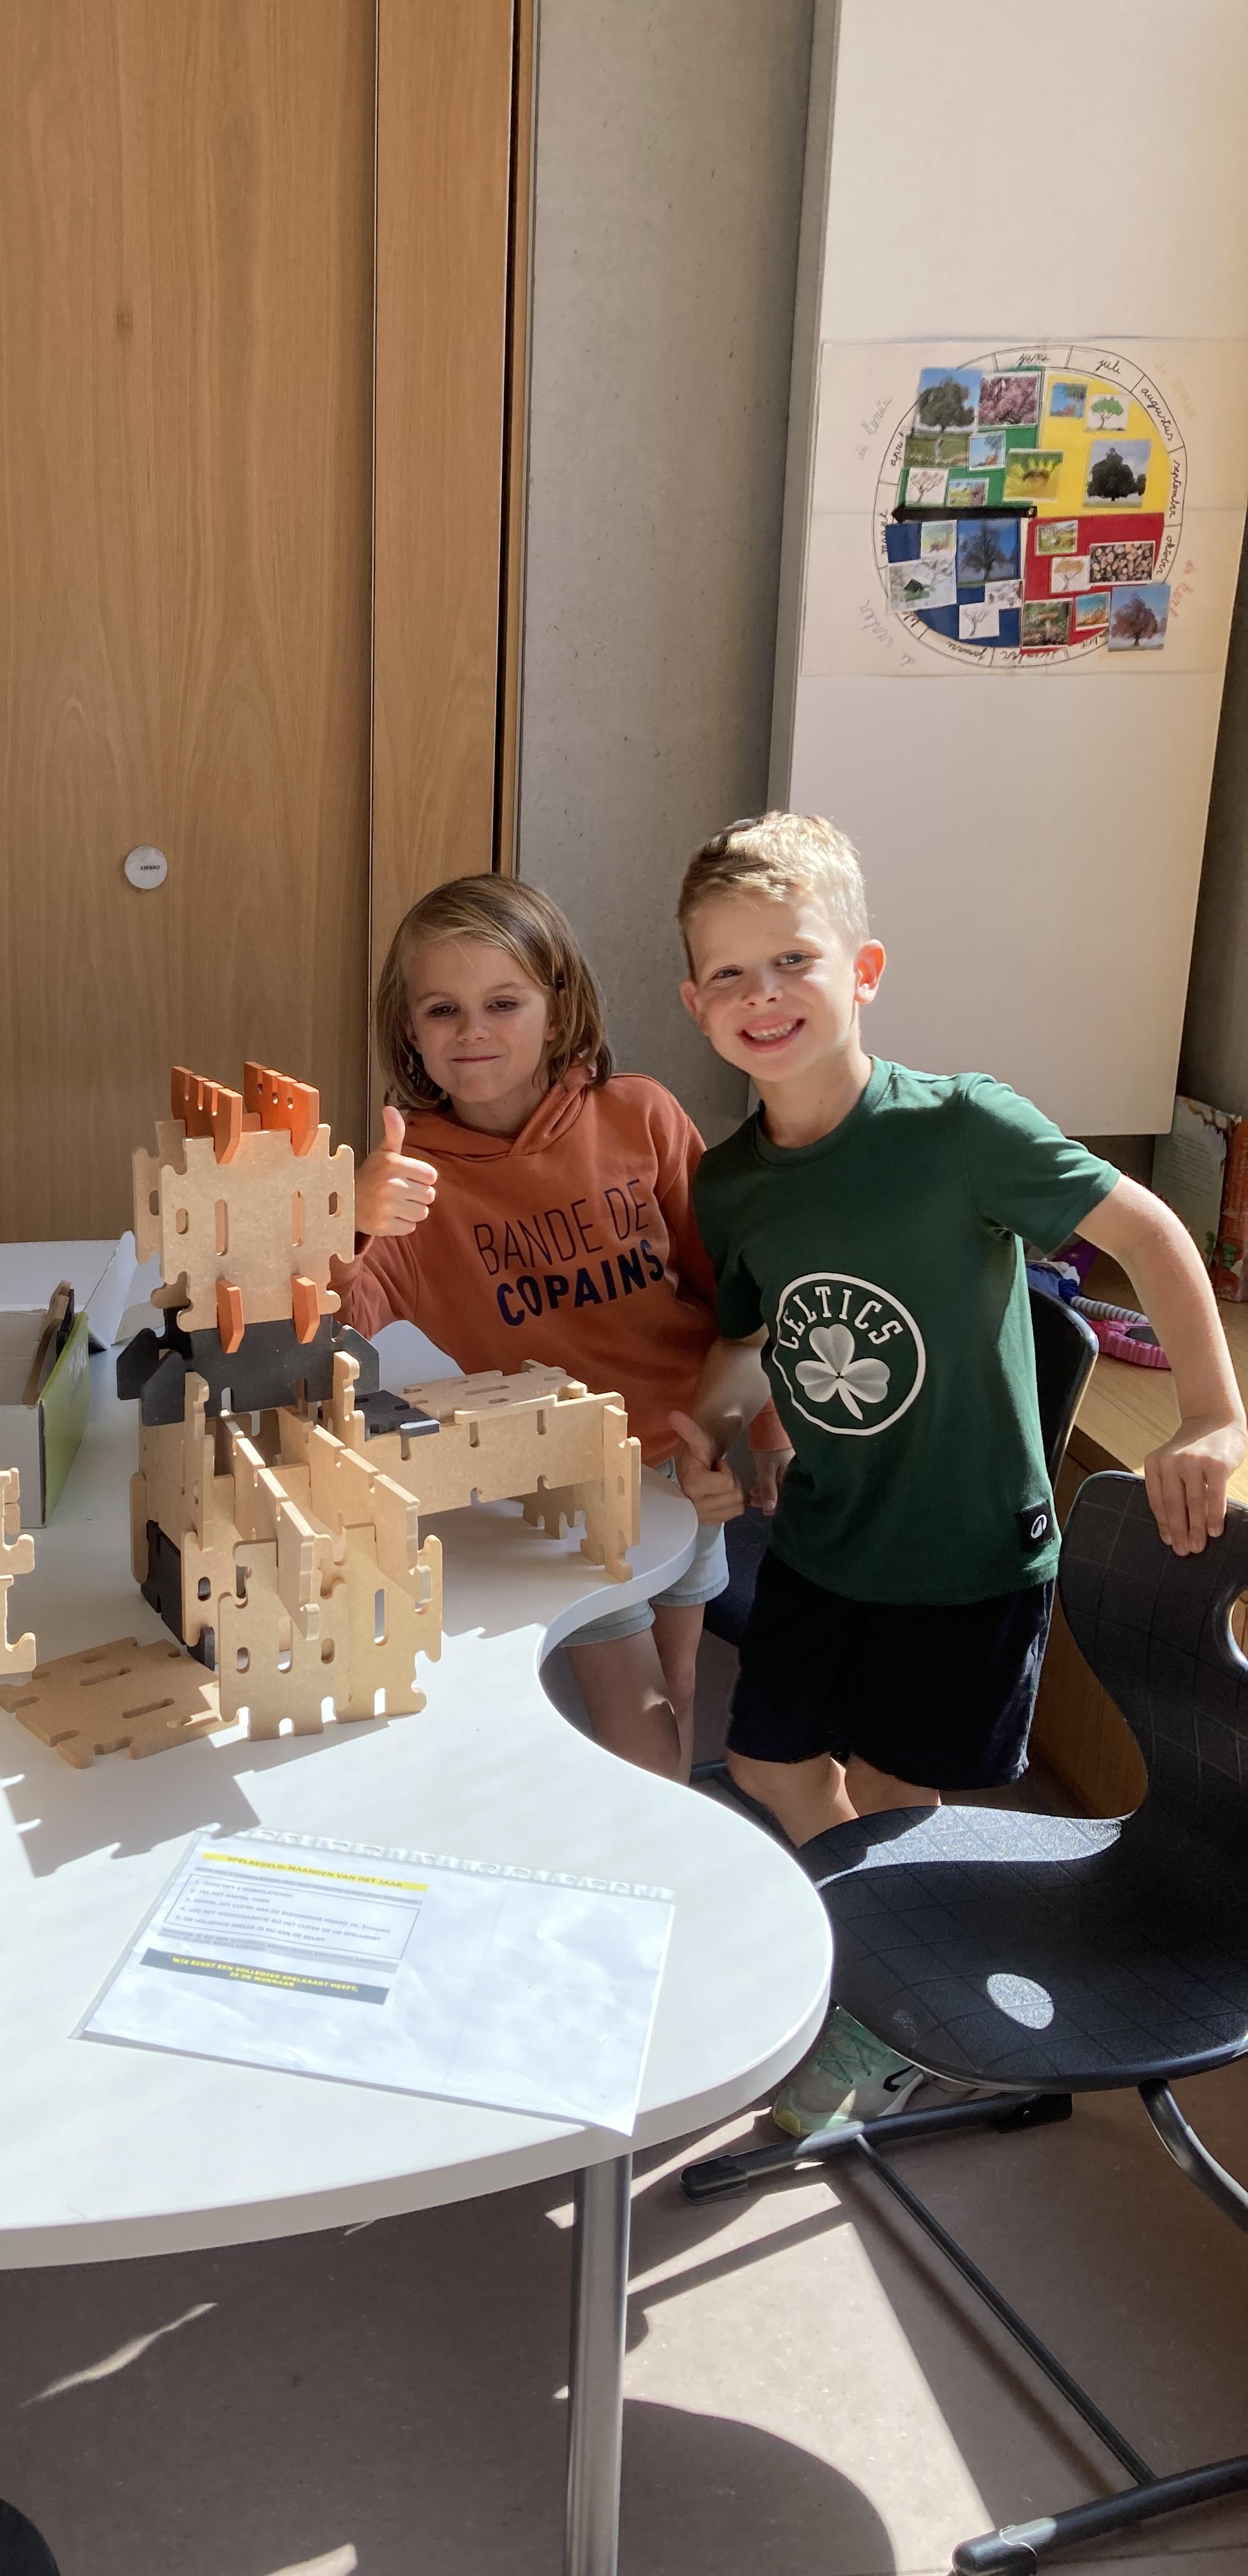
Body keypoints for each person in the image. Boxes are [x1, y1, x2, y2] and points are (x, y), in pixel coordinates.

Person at [667, 811, 1245, 2132]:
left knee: (891, 1797)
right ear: (696, 1004)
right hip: (826, 1540)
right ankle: (876, 1939)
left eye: (795, 961)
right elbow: (751, 1340)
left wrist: (1214, 1416)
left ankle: (887, 2015)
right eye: (731, 974)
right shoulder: (732, 1181)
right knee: (767, 1763)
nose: (765, 995)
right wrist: (709, 1427)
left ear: (862, 971)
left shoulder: (961, 1126)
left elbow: (1150, 1234)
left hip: (965, 1559)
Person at [335, 874, 789, 1779]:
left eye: (503, 1003)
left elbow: (739, 1300)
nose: (472, 1031)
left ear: (559, 1008)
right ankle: (650, 1849)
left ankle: (659, 1838)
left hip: (689, 1459)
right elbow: (335, 1330)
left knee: (680, 1685)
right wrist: (345, 1219)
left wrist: (762, 1434)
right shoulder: (409, 1175)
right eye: (442, 1009)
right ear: (409, 1029)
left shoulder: (643, 1115)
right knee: (634, 1711)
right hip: (556, 1481)